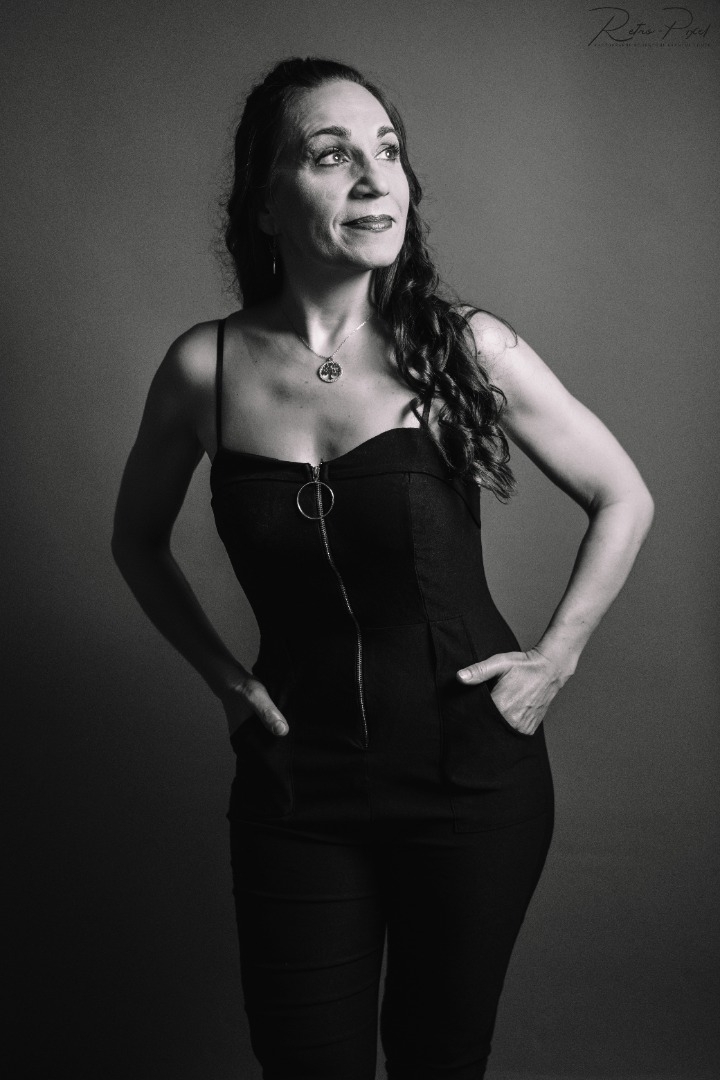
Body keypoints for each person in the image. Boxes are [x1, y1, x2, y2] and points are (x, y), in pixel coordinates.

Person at [111, 56, 654, 1080]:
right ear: (265, 202)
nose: (375, 179)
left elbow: (624, 494)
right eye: (332, 156)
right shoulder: (204, 368)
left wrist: (557, 658)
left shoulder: (463, 348)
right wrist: (226, 682)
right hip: (295, 786)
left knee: (437, 1060)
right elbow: (134, 540)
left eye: (389, 152)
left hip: (471, 780)